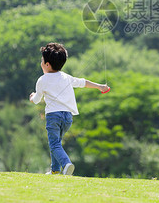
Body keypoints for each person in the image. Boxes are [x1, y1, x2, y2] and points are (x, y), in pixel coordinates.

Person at [29, 42, 110, 175]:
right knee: (56, 143)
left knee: (54, 144)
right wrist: (100, 86)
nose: (41, 63)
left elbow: (37, 100)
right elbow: (83, 82)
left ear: (47, 64)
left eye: (42, 61)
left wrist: (31, 97)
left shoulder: (42, 80)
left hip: (53, 116)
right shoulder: (66, 77)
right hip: (67, 118)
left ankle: (66, 164)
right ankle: (55, 170)